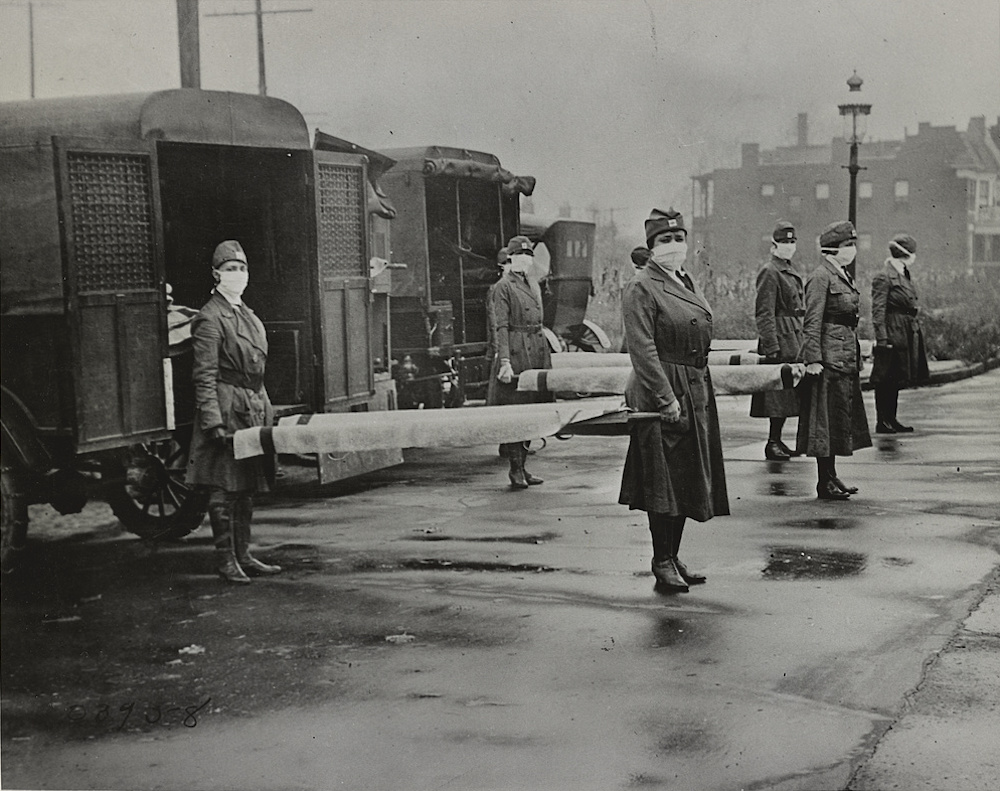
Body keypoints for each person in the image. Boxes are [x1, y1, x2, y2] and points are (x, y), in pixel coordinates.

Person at [619, 208, 729, 593]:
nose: (675, 246)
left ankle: (673, 554)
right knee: (662, 482)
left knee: (684, 477)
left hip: (693, 384)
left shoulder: (684, 280)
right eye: (665, 240)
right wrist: (665, 398)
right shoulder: (642, 287)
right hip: (662, 388)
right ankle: (660, 559)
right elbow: (642, 348)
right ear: (651, 247)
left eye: (679, 238)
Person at [187, 240, 280, 584]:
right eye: (229, 269)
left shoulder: (249, 316)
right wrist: (212, 421)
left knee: (247, 486)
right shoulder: (210, 318)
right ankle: (226, 560)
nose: (237, 275)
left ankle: (244, 554)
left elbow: (258, 370)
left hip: (251, 406)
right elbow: (204, 375)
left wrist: (266, 410)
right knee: (224, 488)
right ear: (216, 274)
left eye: (241, 269)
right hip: (226, 408)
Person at [796, 221, 872, 500]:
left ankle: (831, 476)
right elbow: (812, 321)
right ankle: (823, 481)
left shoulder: (840, 274)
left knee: (836, 421)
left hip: (843, 357)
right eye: (847, 245)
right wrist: (813, 358)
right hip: (828, 360)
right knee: (824, 422)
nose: (852, 250)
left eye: (852, 244)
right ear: (833, 249)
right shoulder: (820, 277)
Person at [488, 235, 551, 489]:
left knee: (534, 411)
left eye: (528, 255)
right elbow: (500, 327)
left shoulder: (532, 283)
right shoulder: (503, 286)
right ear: (510, 258)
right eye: (520, 255)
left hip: (536, 349)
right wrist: (504, 361)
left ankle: (523, 466)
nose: (525, 259)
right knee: (518, 412)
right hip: (516, 351)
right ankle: (515, 469)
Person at [751, 220, 805, 460]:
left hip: (793, 335)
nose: (789, 246)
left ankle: (779, 440)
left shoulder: (788, 269)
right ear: (774, 244)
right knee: (777, 395)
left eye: (792, 242)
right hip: (780, 336)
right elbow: (764, 312)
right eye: (785, 242)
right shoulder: (770, 271)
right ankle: (772, 442)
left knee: (787, 394)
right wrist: (771, 345)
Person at [870, 234, 929, 433]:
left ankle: (891, 418)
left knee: (896, 377)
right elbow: (878, 310)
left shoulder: (903, 273)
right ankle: (882, 420)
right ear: (905, 254)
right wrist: (882, 338)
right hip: (892, 329)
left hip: (904, 330)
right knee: (885, 377)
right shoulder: (884, 276)